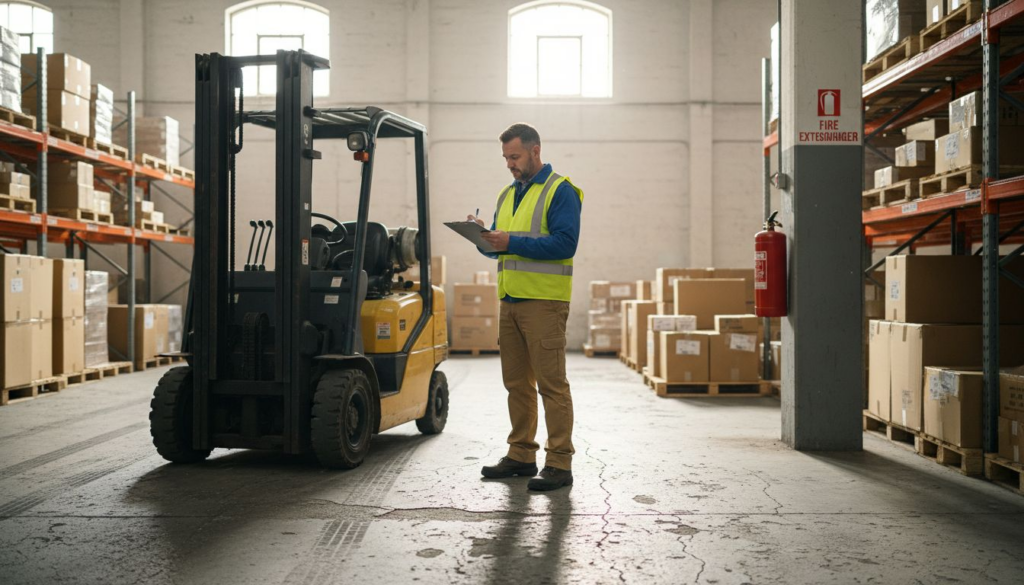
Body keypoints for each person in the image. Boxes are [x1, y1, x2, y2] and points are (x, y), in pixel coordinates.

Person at [468, 123, 583, 492]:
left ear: (536, 151)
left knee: (552, 384)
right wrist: (482, 237)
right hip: (511, 301)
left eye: (514, 157)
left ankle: (559, 462)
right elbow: (501, 246)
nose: (509, 164)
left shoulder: (561, 191)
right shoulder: (507, 194)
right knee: (516, 383)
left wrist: (509, 240)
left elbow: (565, 244)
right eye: (505, 158)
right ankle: (521, 455)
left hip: (544, 303)